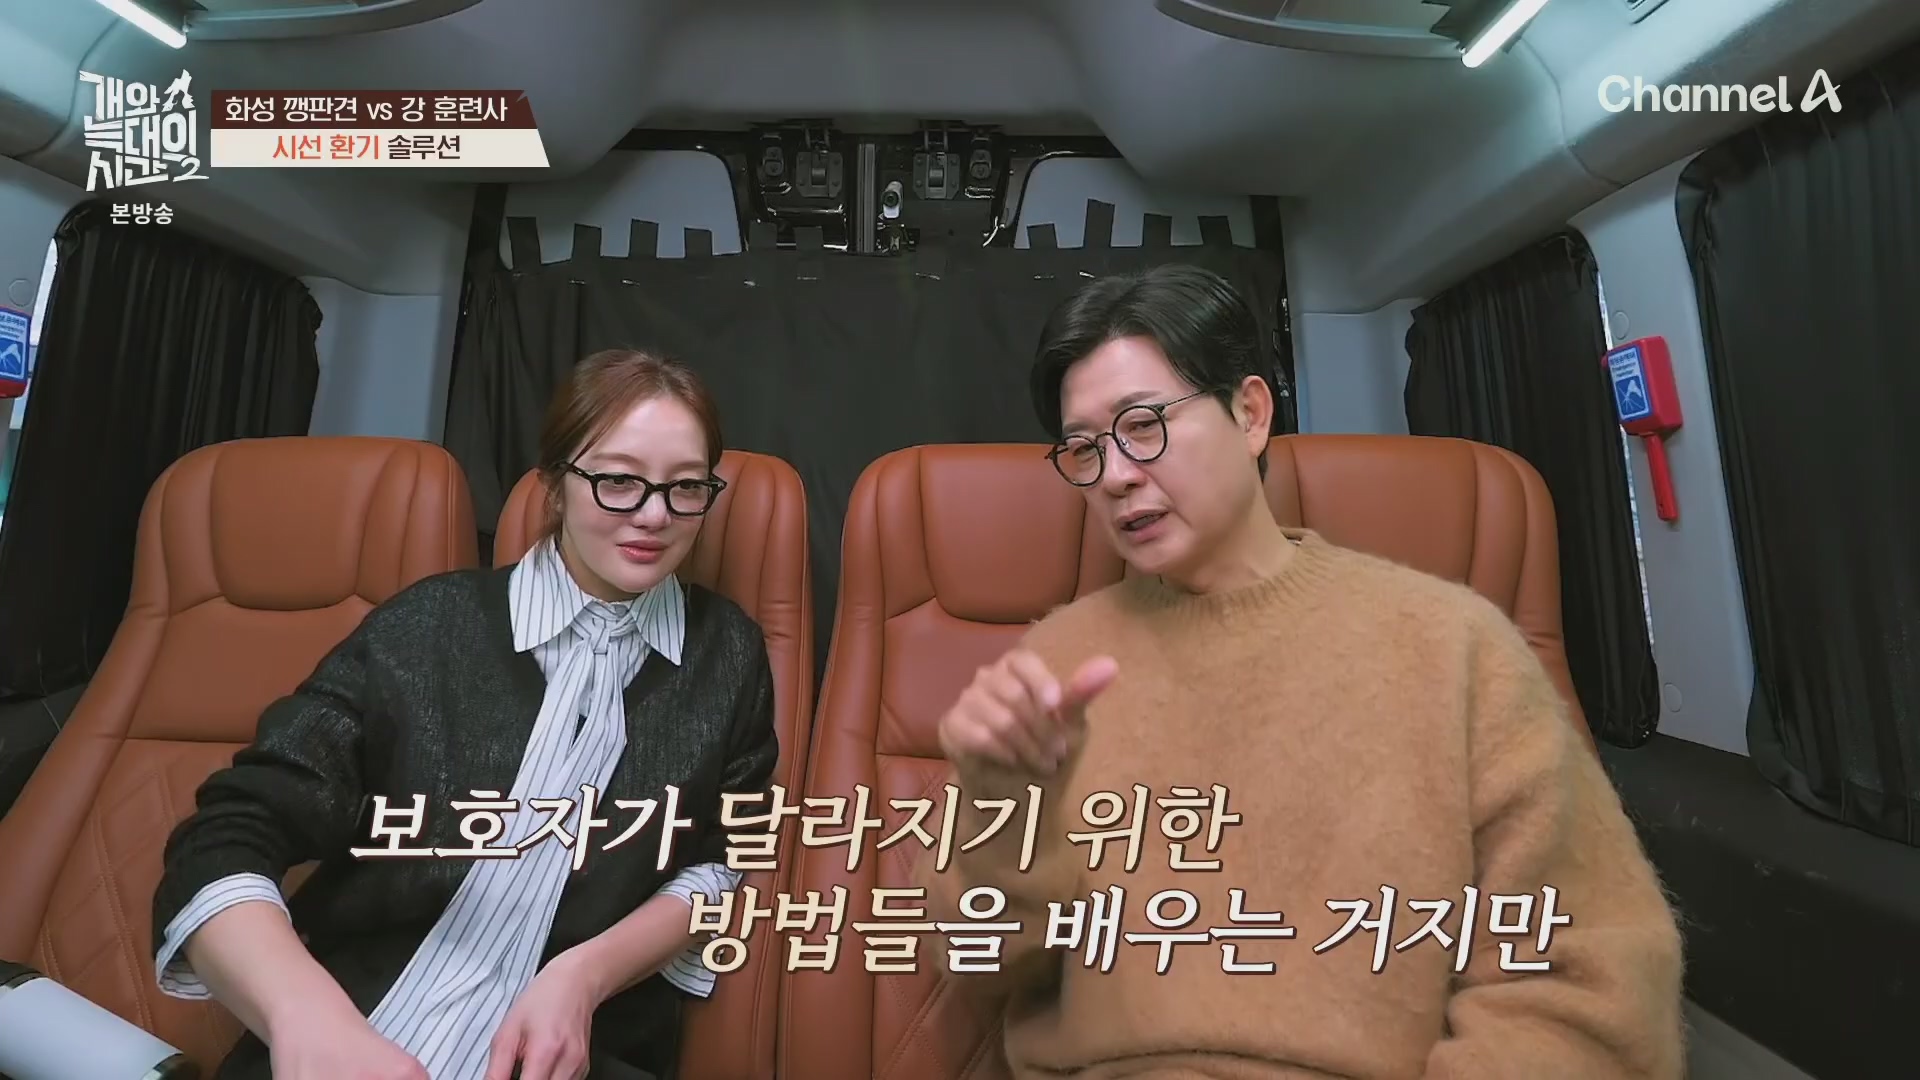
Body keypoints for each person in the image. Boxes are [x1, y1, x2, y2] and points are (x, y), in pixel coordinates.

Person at [920, 265, 1686, 1079]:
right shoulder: (1051, 669)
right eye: (1084, 448)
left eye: (1143, 425)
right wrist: (1001, 813)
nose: (1114, 475)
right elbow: (976, 958)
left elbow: (1584, 980)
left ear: (1250, 414)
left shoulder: (1452, 646)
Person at [151, 349, 778, 1080]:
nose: (654, 515)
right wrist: (305, 1019)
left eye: (686, 487)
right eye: (617, 480)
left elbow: (724, 858)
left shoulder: (729, 654)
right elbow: (229, 833)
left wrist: (586, 975)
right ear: (554, 484)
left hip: (577, 1051)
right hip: (355, 1029)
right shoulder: (428, 626)